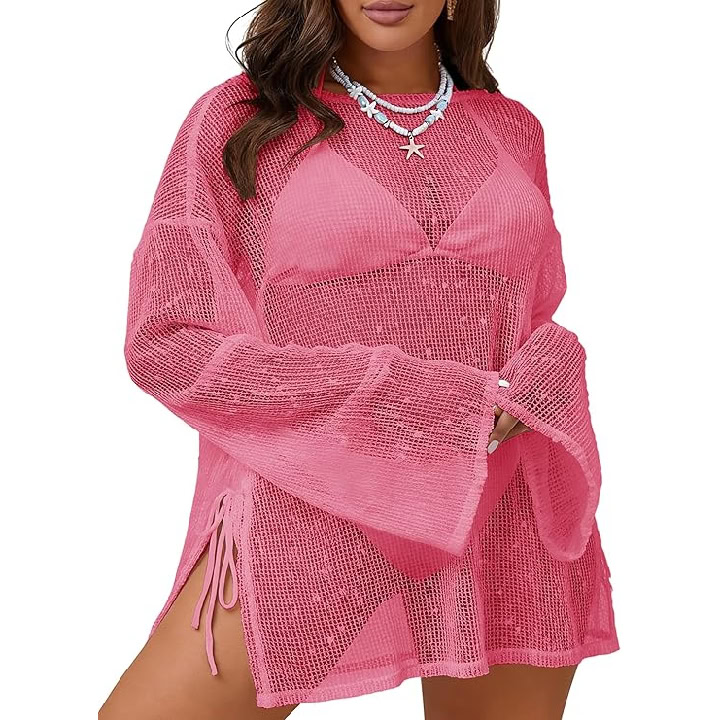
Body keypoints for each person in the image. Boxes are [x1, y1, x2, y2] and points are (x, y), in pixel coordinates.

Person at [100, 1, 619, 718]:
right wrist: (402, 398)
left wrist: (546, 371)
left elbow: (530, 313)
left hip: (502, 499)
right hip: (314, 497)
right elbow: (167, 342)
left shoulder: (511, 129)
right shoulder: (244, 120)